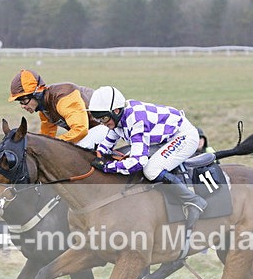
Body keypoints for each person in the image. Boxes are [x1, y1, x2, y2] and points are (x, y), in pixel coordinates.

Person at [87, 85, 206, 232]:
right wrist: (94, 157)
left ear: (116, 111)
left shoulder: (136, 120)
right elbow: (106, 145)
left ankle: (193, 201)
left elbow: (138, 162)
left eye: (105, 118)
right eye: (99, 120)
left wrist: (107, 167)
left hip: (184, 136)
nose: (104, 124)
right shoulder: (117, 118)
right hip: (164, 138)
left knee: (151, 169)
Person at [8, 69, 108, 149]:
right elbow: (46, 137)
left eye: (23, 100)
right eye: (20, 102)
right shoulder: (44, 108)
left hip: (107, 123)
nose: (22, 106)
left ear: (36, 94)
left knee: (75, 151)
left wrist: (54, 144)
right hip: (91, 129)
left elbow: (80, 130)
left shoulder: (64, 97)